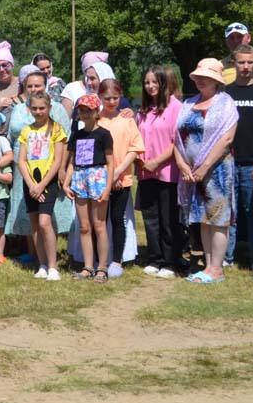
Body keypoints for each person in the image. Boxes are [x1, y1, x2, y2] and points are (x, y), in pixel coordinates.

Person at [174, 58, 238, 285]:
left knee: (218, 218)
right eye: (199, 76)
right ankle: (208, 267)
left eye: (207, 77)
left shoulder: (226, 103)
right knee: (202, 217)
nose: (201, 80)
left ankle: (217, 269)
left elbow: (226, 139)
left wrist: (204, 166)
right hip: (192, 173)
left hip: (217, 170)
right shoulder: (188, 103)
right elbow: (177, 139)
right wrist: (182, 164)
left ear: (216, 81)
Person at [4, 68, 74, 250]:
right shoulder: (18, 109)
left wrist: (62, 168)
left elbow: (65, 139)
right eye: (30, 86)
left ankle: (51, 252)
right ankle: (33, 252)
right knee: (30, 210)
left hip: (50, 164)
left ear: (45, 86)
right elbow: (12, 136)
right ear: (24, 87)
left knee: (49, 210)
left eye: (38, 85)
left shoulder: (56, 108)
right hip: (24, 165)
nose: (34, 89)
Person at [136, 65, 185, 278]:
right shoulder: (143, 110)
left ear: (163, 83)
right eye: (147, 82)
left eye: (155, 82)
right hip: (146, 172)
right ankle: (154, 258)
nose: (150, 86)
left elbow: (178, 141)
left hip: (168, 172)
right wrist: (140, 159)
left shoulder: (176, 107)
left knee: (168, 219)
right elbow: (137, 137)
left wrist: (157, 161)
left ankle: (170, 261)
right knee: (151, 217)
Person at [225, 45, 253, 270]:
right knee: (229, 213)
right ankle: (227, 257)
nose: (246, 67)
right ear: (234, 63)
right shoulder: (226, 93)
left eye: (250, 62)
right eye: (241, 62)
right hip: (229, 161)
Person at [17, 92, 68, 280]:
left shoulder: (56, 129)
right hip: (30, 183)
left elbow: (57, 161)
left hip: (48, 182)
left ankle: (54, 267)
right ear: (29, 109)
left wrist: (42, 185)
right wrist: (31, 184)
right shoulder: (26, 131)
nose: (38, 112)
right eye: (35, 108)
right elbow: (21, 161)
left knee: (45, 223)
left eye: (42, 108)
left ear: (49, 108)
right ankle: (42, 264)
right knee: (35, 225)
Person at [64, 94, 114, 282]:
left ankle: (102, 267)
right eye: (81, 110)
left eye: (88, 110)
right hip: (79, 178)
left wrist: (108, 187)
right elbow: (72, 162)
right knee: (84, 227)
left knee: (99, 225)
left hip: (98, 178)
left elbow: (110, 162)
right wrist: (67, 183)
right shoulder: (77, 134)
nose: (84, 113)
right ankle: (88, 266)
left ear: (96, 112)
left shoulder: (104, 134)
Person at [97, 78, 144, 278]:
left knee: (117, 219)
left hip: (121, 180)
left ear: (121, 96)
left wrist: (117, 172)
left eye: (115, 97)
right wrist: (107, 175)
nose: (111, 101)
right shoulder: (95, 119)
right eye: (107, 98)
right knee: (98, 221)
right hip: (98, 180)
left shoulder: (127, 120)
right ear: (99, 97)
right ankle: (100, 260)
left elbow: (135, 148)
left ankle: (117, 260)